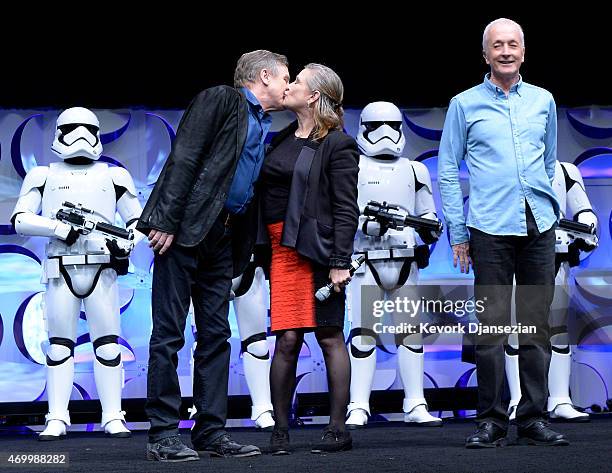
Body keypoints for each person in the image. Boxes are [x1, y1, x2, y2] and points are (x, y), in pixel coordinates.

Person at [137, 50, 289, 462]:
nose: (288, 86)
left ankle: (210, 433)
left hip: (223, 237)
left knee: (217, 337)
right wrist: (165, 220)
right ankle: (163, 434)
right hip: (185, 231)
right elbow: (185, 155)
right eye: (284, 78)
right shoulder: (222, 99)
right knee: (169, 333)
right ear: (263, 77)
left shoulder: (263, 122)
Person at [438, 18, 568, 447]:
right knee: (490, 329)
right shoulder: (464, 104)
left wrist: (545, 207)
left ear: (524, 52)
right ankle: (491, 421)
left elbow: (549, 161)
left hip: (538, 225)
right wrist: (458, 232)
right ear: (486, 54)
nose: (506, 51)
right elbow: (448, 173)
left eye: (513, 44)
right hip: (488, 229)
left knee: (535, 326)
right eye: (498, 45)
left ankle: (532, 418)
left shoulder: (544, 101)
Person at [11, 107, 142, 440]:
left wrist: (125, 245)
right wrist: (57, 227)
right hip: (60, 268)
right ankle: (57, 416)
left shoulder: (113, 176)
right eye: (72, 128)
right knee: (58, 346)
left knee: (108, 345)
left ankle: (112, 414)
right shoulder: (43, 175)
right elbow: (21, 219)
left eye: (87, 128)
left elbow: (137, 221)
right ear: (59, 132)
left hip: (102, 267)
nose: (80, 135)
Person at [257, 63, 359, 454]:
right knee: (286, 338)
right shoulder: (281, 137)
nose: (290, 86)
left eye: (296, 81)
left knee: (330, 335)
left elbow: (346, 208)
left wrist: (339, 260)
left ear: (314, 95)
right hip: (282, 250)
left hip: (317, 251)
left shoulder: (338, 143)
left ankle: (337, 429)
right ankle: (280, 431)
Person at [346, 101, 443, 428]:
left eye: (392, 124)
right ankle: (358, 403)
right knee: (362, 335)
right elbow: (344, 216)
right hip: (366, 260)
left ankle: (415, 401)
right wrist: (368, 226)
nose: (385, 132)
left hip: (405, 260)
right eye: (377, 125)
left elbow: (427, 212)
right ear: (364, 128)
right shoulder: (354, 167)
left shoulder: (415, 170)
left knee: (411, 334)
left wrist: (425, 231)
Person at [505, 161, 598, 422]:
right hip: (518, 252)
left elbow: (584, 209)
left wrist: (587, 226)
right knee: (518, 330)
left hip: (557, 254)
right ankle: (518, 399)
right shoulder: (506, 165)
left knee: (557, 329)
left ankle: (559, 398)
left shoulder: (565, 170)